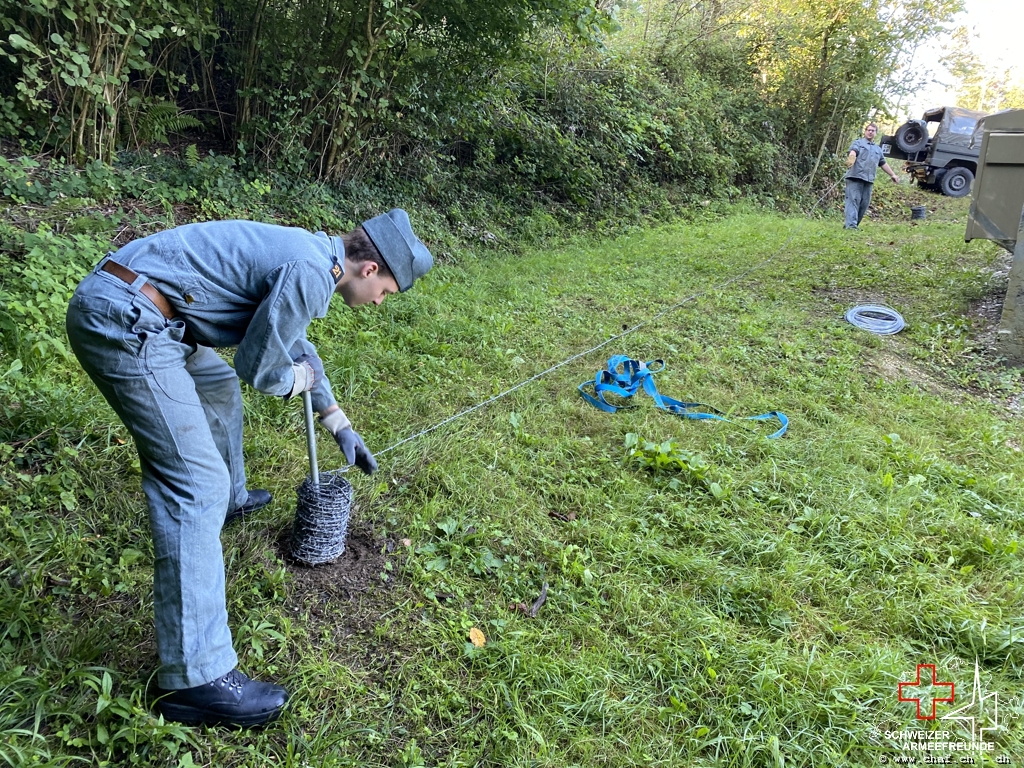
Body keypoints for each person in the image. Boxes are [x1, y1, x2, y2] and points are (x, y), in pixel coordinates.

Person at [65, 210, 432, 727]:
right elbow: (261, 366)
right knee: (194, 484)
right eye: (387, 292)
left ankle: (231, 499)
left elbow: (291, 341)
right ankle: (196, 679)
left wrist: (337, 422)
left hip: (149, 310)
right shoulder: (308, 270)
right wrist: (292, 382)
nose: (379, 303)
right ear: (369, 270)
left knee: (215, 389)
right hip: (127, 320)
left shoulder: (313, 256)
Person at [844, 122, 901, 229]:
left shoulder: (878, 149)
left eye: (872, 131)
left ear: (876, 133)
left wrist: (893, 174)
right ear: (865, 131)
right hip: (855, 177)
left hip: (868, 180)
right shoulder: (858, 142)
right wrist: (850, 160)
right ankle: (851, 226)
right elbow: (853, 152)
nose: (870, 132)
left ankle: (852, 224)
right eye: (868, 130)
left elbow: (883, 163)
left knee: (863, 205)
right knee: (853, 201)